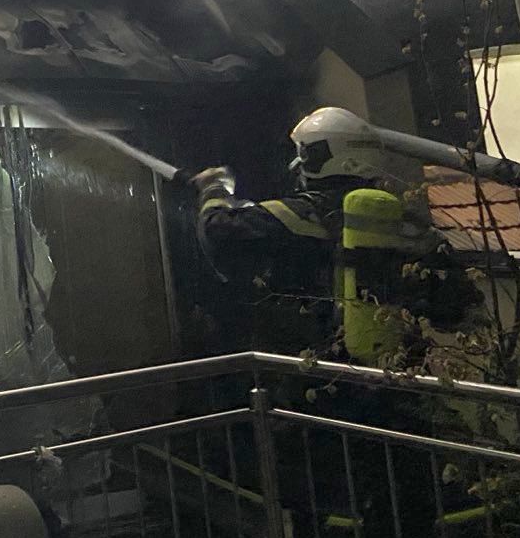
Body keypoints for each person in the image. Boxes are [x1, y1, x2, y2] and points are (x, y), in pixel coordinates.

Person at [191, 107, 475, 362]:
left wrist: (214, 188)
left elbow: (218, 230)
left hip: (323, 369)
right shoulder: (406, 223)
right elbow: (462, 308)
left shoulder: (301, 214)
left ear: (317, 158)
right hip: (401, 370)